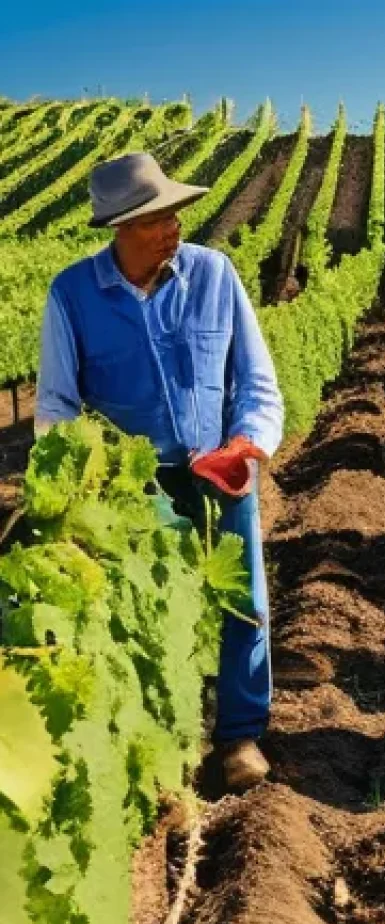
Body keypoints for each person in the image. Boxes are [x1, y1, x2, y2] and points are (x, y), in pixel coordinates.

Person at [35, 152, 285, 791]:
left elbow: (255, 380)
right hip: (134, 485)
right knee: (153, 611)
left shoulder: (215, 275)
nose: (173, 226)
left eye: (174, 213)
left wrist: (248, 441)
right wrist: (83, 478)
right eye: (156, 218)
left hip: (219, 470)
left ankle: (239, 736)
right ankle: (167, 745)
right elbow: (58, 405)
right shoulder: (73, 295)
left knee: (240, 601)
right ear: (119, 227)